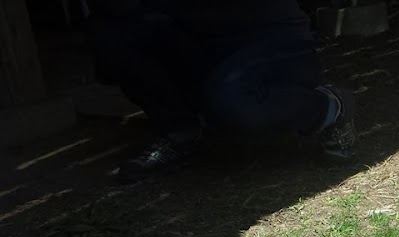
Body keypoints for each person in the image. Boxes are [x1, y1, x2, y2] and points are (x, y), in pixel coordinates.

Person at [87, 0, 355, 181]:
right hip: (195, 38)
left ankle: (328, 107)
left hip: (271, 38)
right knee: (115, 31)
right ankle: (180, 131)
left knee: (233, 106)